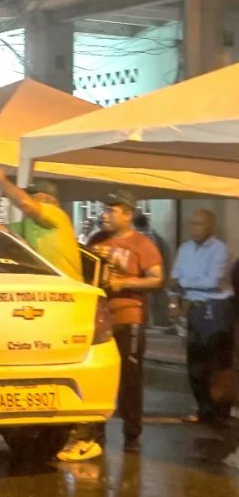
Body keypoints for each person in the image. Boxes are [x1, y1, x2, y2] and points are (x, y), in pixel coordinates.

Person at [78, 189, 164, 456]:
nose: (105, 214)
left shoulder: (142, 244)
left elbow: (157, 278)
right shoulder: (97, 239)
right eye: (104, 209)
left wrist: (123, 282)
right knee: (98, 375)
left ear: (127, 214)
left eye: (111, 210)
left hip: (130, 318)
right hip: (101, 319)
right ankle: (96, 433)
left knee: (130, 377)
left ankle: (131, 435)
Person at [170, 209, 233, 425]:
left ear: (211, 227)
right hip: (194, 308)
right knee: (195, 363)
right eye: (193, 224)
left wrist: (186, 283)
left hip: (216, 309)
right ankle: (203, 409)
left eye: (200, 224)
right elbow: (175, 278)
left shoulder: (220, 249)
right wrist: (174, 300)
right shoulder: (185, 249)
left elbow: (212, 281)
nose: (195, 228)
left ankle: (220, 412)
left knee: (216, 363)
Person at [0, 168, 83, 280]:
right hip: (48, 288)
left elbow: (25, 204)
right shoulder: (29, 223)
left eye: (32, 195)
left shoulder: (58, 215)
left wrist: (1, 179)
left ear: (47, 199)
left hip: (68, 288)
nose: (27, 197)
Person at [135, 212, 173, 328]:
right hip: (158, 275)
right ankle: (160, 322)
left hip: (144, 278)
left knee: (147, 304)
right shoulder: (156, 237)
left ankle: (149, 323)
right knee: (158, 304)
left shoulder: (138, 238)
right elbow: (166, 256)